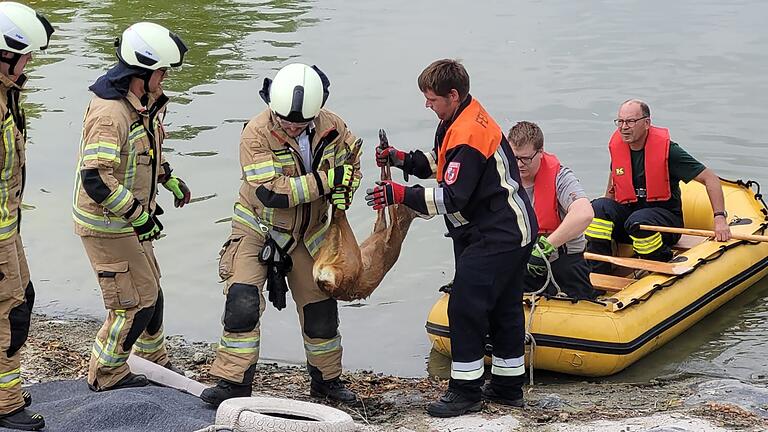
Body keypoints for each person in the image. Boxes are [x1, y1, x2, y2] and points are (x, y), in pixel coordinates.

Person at [366, 59, 537, 417]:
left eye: (431, 99)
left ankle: (465, 392)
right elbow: (444, 162)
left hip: (496, 234)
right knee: (505, 307)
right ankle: (508, 387)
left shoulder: (468, 134)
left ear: (453, 95)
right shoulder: (461, 119)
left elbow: (452, 196)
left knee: (465, 307)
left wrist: (400, 194)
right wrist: (401, 159)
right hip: (510, 229)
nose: (427, 105)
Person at [200, 63, 361, 407]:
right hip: (258, 227)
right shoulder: (255, 134)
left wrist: (347, 186)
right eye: (285, 119)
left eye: (300, 122)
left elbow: (352, 165)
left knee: (321, 314)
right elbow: (272, 192)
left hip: (310, 233)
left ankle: (327, 381)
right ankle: (233, 382)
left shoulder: (335, 127)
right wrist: (327, 181)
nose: (291, 126)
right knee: (242, 302)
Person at [73, 22, 191, 392]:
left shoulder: (140, 103)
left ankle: (155, 362)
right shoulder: (111, 113)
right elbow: (96, 179)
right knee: (134, 302)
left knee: (152, 291)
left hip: (127, 220)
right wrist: (140, 216)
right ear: (142, 74)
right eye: (162, 71)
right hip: (107, 225)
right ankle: (106, 375)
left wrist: (167, 178)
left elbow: (142, 154)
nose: (166, 77)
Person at [586, 99, 731, 274]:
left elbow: (710, 178)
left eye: (630, 121)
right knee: (598, 207)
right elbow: (613, 185)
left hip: (665, 224)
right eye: (620, 121)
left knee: (639, 220)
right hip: (630, 221)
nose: (624, 127)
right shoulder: (619, 148)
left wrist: (719, 218)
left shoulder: (669, 151)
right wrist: (604, 211)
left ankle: (661, 259)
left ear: (646, 123)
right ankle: (597, 272)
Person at [0, 3, 53, 430]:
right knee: (8, 311)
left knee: (22, 301)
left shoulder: (6, 94)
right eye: (26, 54)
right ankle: (4, 406)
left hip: (7, 225)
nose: (30, 61)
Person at [507, 121, 601, 300]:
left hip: (563, 261)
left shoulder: (561, 178)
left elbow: (585, 213)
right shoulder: (504, 179)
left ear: (540, 152)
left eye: (526, 159)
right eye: (514, 158)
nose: (519, 164)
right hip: (523, 263)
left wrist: (547, 247)